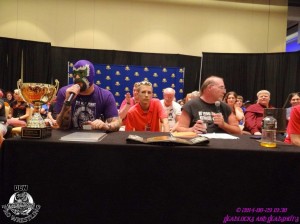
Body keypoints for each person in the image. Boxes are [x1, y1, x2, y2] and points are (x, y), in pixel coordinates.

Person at [55, 59, 120, 131]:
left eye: (81, 73)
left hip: (95, 139)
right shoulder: (64, 92)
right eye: (75, 74)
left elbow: (116, 123)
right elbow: (61, 125)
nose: (77, 77)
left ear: (91, 76)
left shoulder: (105, 96)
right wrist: (67, 102)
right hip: (70, 139)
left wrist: (105, 125)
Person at [176, 76, 241, 134]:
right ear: (210, 88)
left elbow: (238, 132)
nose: (224, 92)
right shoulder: (191, 105)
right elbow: (179, 129)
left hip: (222, 145)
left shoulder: (225, 107)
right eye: (221, 88)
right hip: (200, 145)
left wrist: (224, 125)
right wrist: (192, 130)